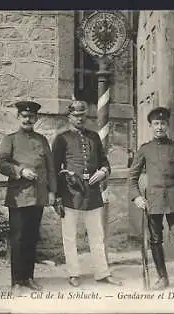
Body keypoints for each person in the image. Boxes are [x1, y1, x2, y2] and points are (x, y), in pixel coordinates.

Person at [51, 99, 122, 287]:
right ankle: (74, 273)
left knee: (97, 235)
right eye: (76, 115)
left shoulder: (94, 137)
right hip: (70, 193)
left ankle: (102, 272)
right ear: (69, 117)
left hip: (92, 193)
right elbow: (54, 168)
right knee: (69, 235)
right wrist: (57, 195)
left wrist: (103, 172)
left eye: (82, 115)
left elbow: (104, 162)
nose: (80, 118)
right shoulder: (61, 138)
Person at [128, 107, 174, 292]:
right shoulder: (145, 149)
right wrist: (137, 197)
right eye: (156, 123)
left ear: (167, 126)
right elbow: (132, 177)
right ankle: (162, 278)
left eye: (163, 123)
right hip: (153, 201)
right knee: (155, 241)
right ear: (151, 126)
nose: (159, 127)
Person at [0, 101, 56, 294]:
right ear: (18, 117)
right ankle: (16, 282)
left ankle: (29, 277)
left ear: (36, 119)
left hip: (38, 196)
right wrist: (21, 171)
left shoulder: (42, 140)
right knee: (18, 238)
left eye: (31, 117)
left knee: (31, 238)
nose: (28, 119)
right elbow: (0, 163)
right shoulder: (10, 139)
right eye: (24, 116)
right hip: (19, 197)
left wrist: (53, 192)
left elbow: (51, 168)